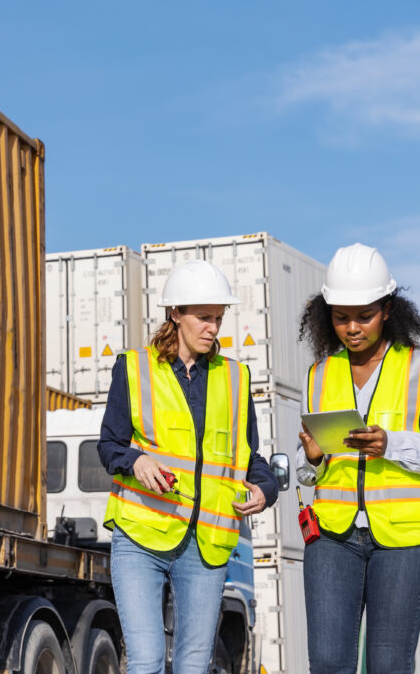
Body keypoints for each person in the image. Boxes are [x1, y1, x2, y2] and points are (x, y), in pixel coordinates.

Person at [98, 259, 279, 674]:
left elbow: (251, 458)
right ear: (175, 314)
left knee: (194, 666)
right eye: (203, 317)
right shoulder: (133, 368)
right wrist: (136, 460)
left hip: (207, 544)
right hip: (141, 535)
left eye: (218, 318)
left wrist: (264, 489)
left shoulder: (236, 379)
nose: (213, 328)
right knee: (144, 661)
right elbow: (108, 445)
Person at [297, 243, 420, 674]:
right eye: (340, 317)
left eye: (364, 315)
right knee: (329, 662)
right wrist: (311, 457)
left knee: (388, 663)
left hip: (406, 537)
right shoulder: (319, 374)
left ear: (387, 309)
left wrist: (393, 444)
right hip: (333, 536)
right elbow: (306, 468)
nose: (352, 328)